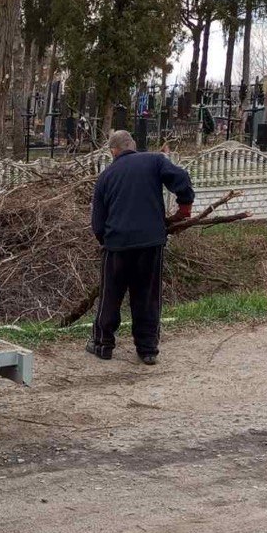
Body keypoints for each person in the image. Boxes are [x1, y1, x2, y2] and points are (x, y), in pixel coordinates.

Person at [87, 130, 195, 366]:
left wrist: (106, 241)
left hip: (117, 244)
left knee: (110, 296)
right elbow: (181, 178)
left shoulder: (106, 176)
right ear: (133, 146)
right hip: (150, 243)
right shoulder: (155, 161)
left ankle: (103, 344)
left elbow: (98, 222)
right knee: (147, 296)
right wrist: (184, 208)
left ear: (113, 151)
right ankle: (147, 350)